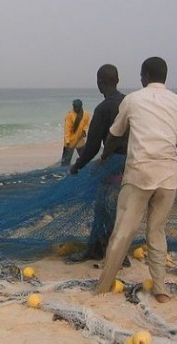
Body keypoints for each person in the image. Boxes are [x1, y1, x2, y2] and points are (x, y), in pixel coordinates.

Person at [96, 57, 177, 304]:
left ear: (145, 76)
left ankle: (103, 287)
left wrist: (104, 156)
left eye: (141, 75)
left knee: (123, 232)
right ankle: (161, 289)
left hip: (139, 174)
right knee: (156, 231)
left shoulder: (133, 99)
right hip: (169, 176)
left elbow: (115, 135)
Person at [67, 64, 128, 266]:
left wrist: (77, 165)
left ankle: (108, 253)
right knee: (119, 212)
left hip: (112, 167)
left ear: (99, 83)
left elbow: (92, 147)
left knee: (104, 209)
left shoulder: (103, 108)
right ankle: (109, 250)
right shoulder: (129, 103)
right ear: (117, 80)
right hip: (133, 167)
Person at [61, 99, 91, 166]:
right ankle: (63, 171)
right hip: (70, 141)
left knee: (84, 157)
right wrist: (67, 141)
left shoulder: (86, 114)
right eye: (74, 107)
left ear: (81, 106)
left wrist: (84, 130)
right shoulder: (70, 115)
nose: (75, 108)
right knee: (66, 160)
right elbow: (67, 129)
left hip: (80, 140)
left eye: (77, 107)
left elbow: (86, 124)